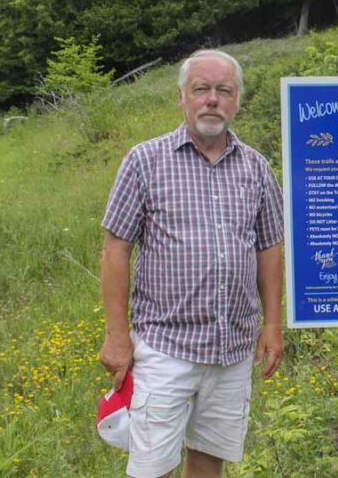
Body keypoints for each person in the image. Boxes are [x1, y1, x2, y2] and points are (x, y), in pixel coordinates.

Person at [98, 49, 286, 478]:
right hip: (165, 348)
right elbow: (115, 250)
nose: (212, 100)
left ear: (237, 100)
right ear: (182, 98)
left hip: (233, 350)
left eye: (224, 91)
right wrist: (116, 336)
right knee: (152, 468)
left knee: (208, 461)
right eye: (201, 89)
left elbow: (269, 248)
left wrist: (272, 325)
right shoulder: (145, 161)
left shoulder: (256, 167)